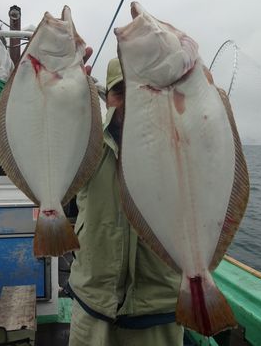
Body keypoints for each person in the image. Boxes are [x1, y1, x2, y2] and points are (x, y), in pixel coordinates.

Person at [67, 57, 184, 346]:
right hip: (92, 304)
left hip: (159, 309)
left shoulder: (181, 146)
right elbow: (48, 135)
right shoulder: (86, 138)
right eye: (121, 92)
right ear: (108, 99)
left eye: (142, 91)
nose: (131, 102)